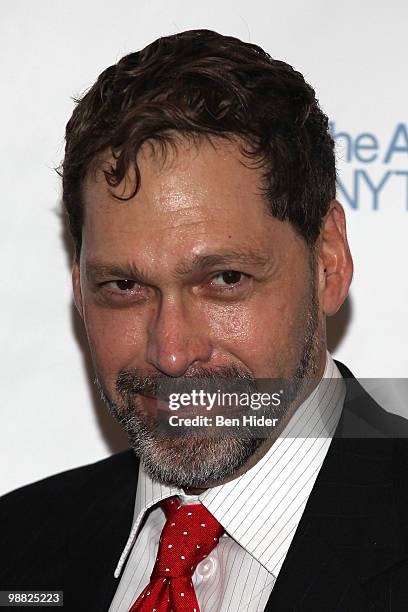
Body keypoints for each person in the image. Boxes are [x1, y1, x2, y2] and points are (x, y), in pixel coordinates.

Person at [1, 29, 408, 612]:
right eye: (124, 286)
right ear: (78, 287)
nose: (170, 352)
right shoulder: (18, 548)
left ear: (328, 260)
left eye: (225, 280)